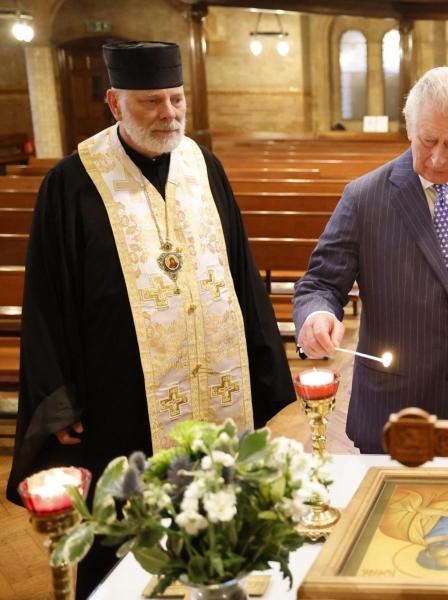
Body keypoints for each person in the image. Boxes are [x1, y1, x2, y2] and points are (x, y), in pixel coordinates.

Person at [6, 41, 294, 596]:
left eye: (176, 99)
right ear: (114, 103)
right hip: (121, 397)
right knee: (125, 538)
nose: (168, 113)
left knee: (221, 515)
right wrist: (58, 397)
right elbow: (46, 301)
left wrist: (265, 372)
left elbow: (240, 273)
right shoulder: (72, 182)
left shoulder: (203, 166)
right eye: (150, 102)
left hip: (216, 389)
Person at [294, 67, 448, 454]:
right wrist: (317, 316)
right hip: (393, 409)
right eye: (427, 139)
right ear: (410, 128)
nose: (436, 158)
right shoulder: (365, 197)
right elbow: (319, 284)